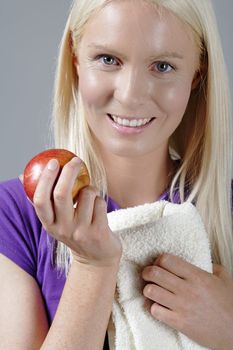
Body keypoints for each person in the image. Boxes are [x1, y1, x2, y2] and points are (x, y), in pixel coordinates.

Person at [0, 0, 233, 349]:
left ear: (196, 75)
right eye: (108, 60)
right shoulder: (15, 213)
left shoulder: (227, 210)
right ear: (75, 59)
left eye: (163, 66)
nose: (130, 95)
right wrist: (92, 266)